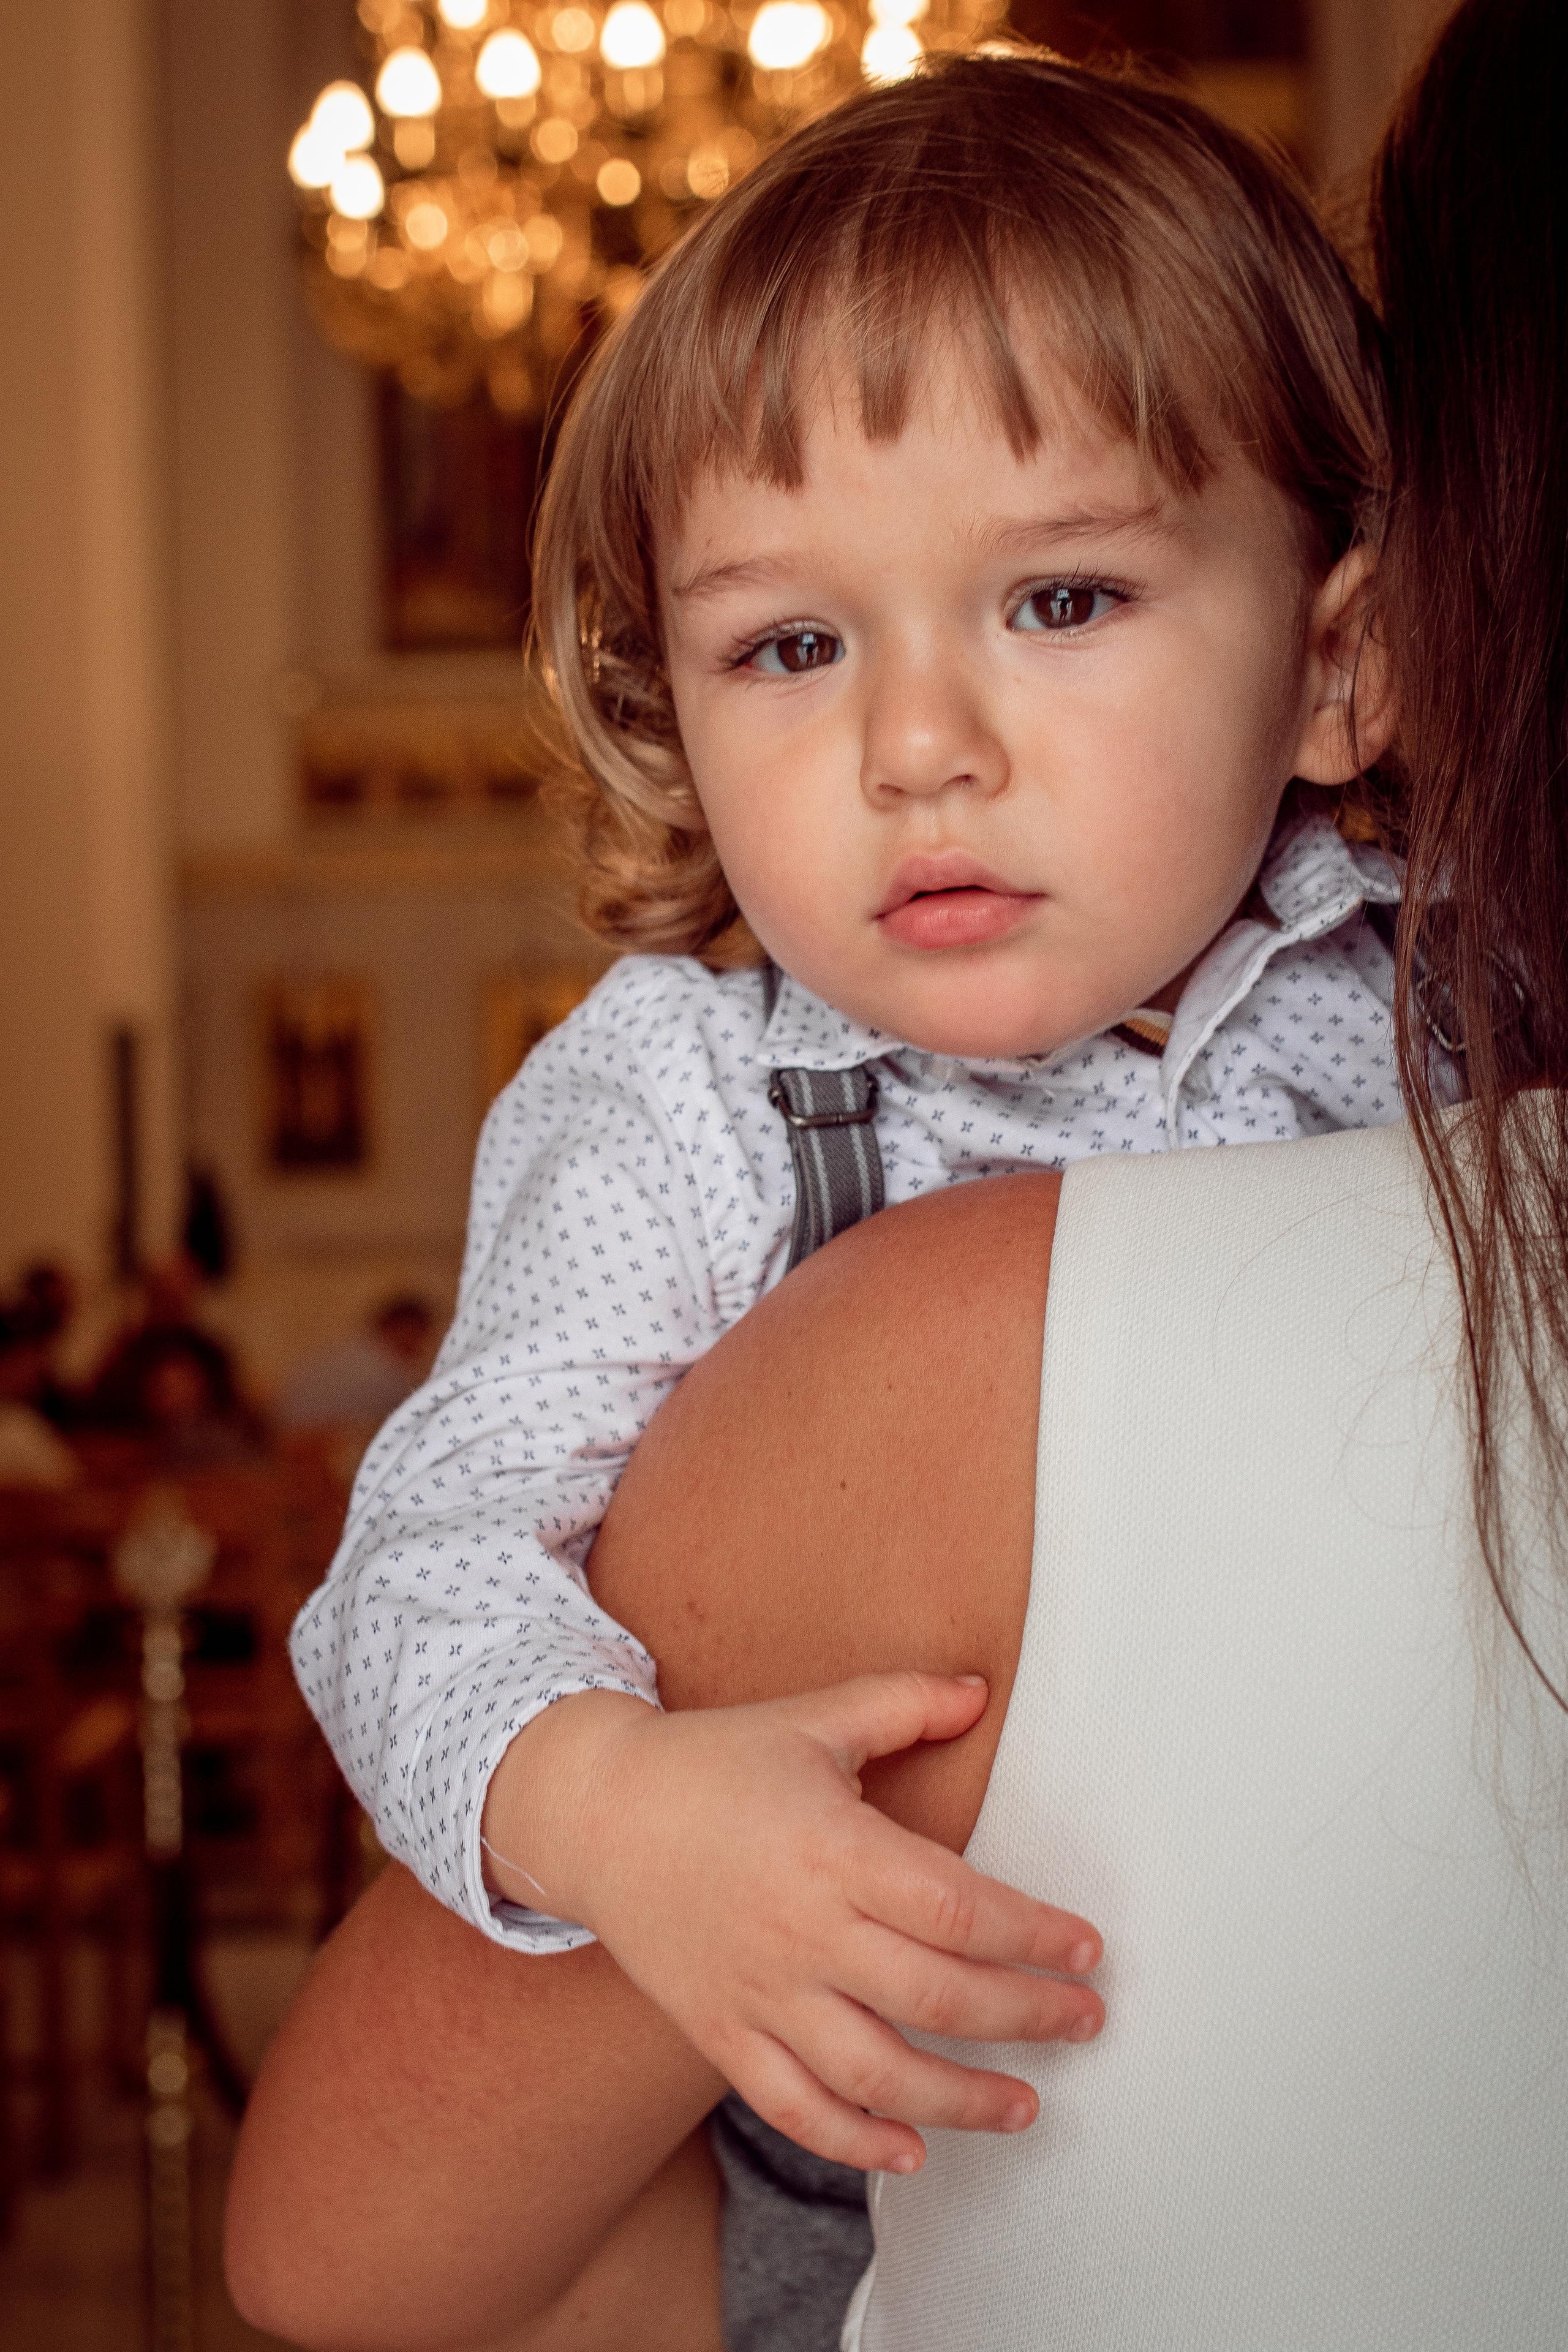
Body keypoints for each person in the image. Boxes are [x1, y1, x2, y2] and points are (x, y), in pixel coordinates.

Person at [225, 4, 1568, 2345]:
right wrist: (617, 1813)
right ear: (667, 701)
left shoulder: (1453, 1009)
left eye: (1058, 601)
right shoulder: (694, 1103)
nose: (913, 745)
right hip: (845, 2151)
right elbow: (423, 1560)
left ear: (1342, 671)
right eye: (787, 643)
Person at [276, 1294, 437, 1436]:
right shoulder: (377, 1370)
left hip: (294, 1435)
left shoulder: (354, 1354)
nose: (420, 1344)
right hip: (310, 1441)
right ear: (396, 1329)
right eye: (417, 1334)